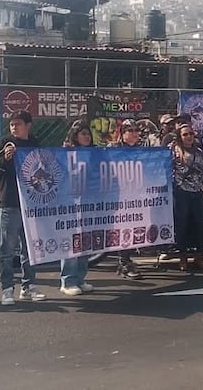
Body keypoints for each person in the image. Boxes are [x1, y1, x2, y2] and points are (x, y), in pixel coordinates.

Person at [0, 110, 48, 305]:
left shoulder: (35, 143)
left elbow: (43, 168)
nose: (14, 127)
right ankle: (7, 289)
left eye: (18, 124)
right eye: (12, 124)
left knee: (30, 248)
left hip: (31, 203)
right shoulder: (4, 143)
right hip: (10, 202)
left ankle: (29, 286)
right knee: (7, 248)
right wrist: (6, 159)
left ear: (28, 125)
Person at [104, 121, 146, 280]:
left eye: (136, 130)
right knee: (122, 228)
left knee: (133, 228)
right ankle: (124, 262)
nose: (134, 133)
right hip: (117, 195)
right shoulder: (112, 149)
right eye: (130, 130)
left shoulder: (141, 151)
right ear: (122, 132)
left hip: (135, 196)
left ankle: (125, 259)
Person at [59, 120, 97, 295]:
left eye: (88, 133)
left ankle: (80, 278)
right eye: (83, 133)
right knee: (71, 241)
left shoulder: (94, 153)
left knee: (85, 242)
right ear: (75, 136)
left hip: (90, 202)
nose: (87, 136)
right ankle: (67, 281)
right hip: (71, 201)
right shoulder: (66, 153)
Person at [171, 123, 203, 272]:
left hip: (198, 193)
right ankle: (183, 258)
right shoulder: (174, 151)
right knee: (182, 226)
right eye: (185, 134)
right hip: (181, 194)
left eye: (191, 134)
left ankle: (199, 256)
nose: (188, 137)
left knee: (200, 225)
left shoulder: (200, 152)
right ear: (180, 137)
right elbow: (169, 171)